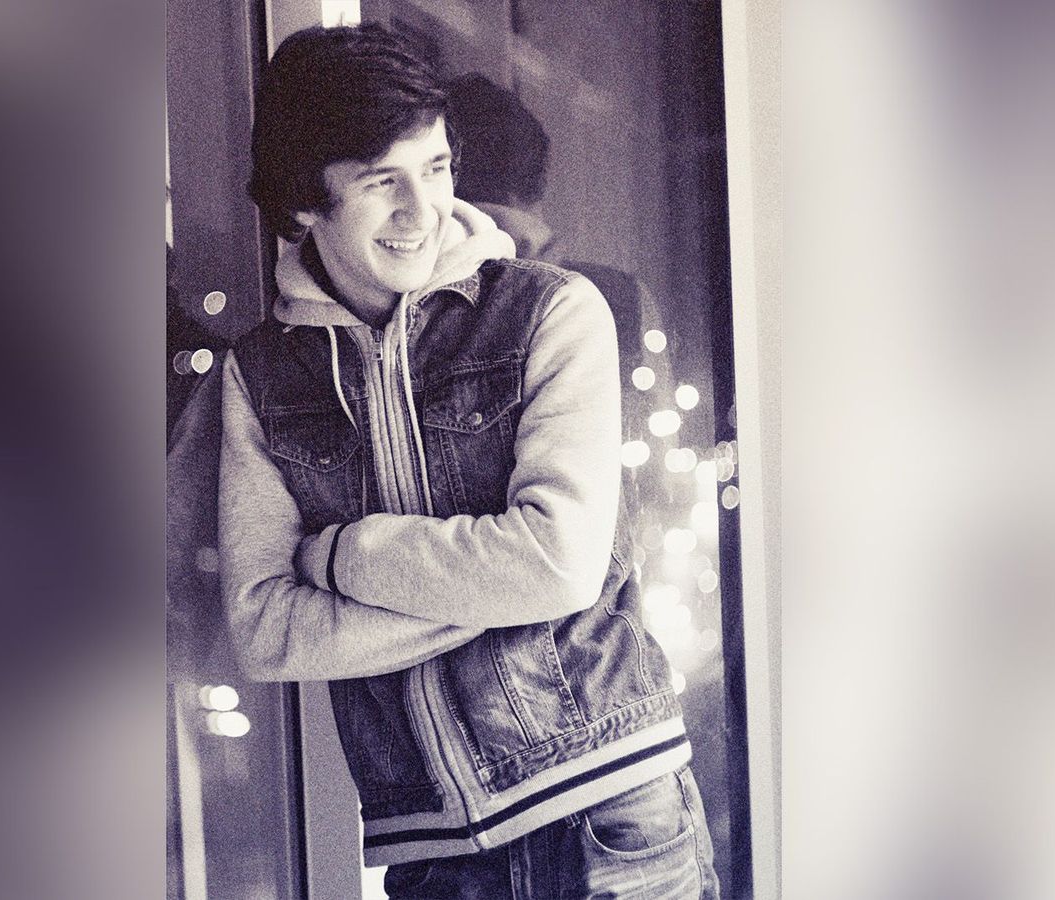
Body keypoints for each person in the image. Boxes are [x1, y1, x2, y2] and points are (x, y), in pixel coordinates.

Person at [219, 24, 718, 897]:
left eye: (438, 168)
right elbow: (265, 628)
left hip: (611, 811)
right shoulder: (261, 374)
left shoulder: (552, 312)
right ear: (304, 203)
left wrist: (340, 558)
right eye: (382, 182)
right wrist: (497, 586)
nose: (424, 211)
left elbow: (557, 567)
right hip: (434, 851)